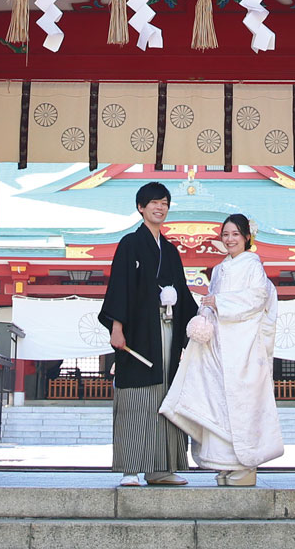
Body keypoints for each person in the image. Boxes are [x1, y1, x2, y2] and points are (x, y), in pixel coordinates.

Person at [161, 213, 283, 486]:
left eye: (235, 234)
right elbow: (212, 302)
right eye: (225, 234)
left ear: (247, 237)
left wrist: (220, 302)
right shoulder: (218, 270)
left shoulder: (253, 265)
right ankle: (226, 464)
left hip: (244, 346)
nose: (229, 239)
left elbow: (257, 298)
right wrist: (205, 312)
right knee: (218, 402)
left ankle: (246, 465)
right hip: (219, 346)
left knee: (243, 403)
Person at [98, 180, 198, 487]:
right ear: (141, 207)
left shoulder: (170, 251)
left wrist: (198, 323)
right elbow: (120, 288)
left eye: (165, 203)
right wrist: (117, 326)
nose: (160, 207)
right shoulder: (130, 244)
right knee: (136, 398)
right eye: (154, 202)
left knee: (168, 395)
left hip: (167, 332)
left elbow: (183, 292)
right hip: (139, 332)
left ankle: (162, 468)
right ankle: (131, 469)